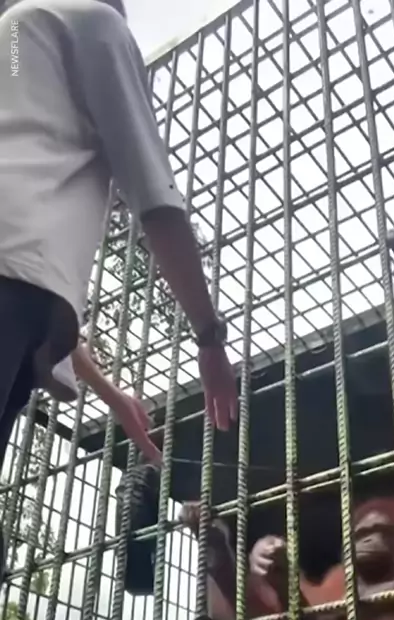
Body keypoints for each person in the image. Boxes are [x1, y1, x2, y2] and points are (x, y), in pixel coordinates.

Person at [0, 0, 238, 480]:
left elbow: (28, 274)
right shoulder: (93, 20)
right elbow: (155, 197)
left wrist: (113, 397)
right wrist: (209, 337)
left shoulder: (14, 37)